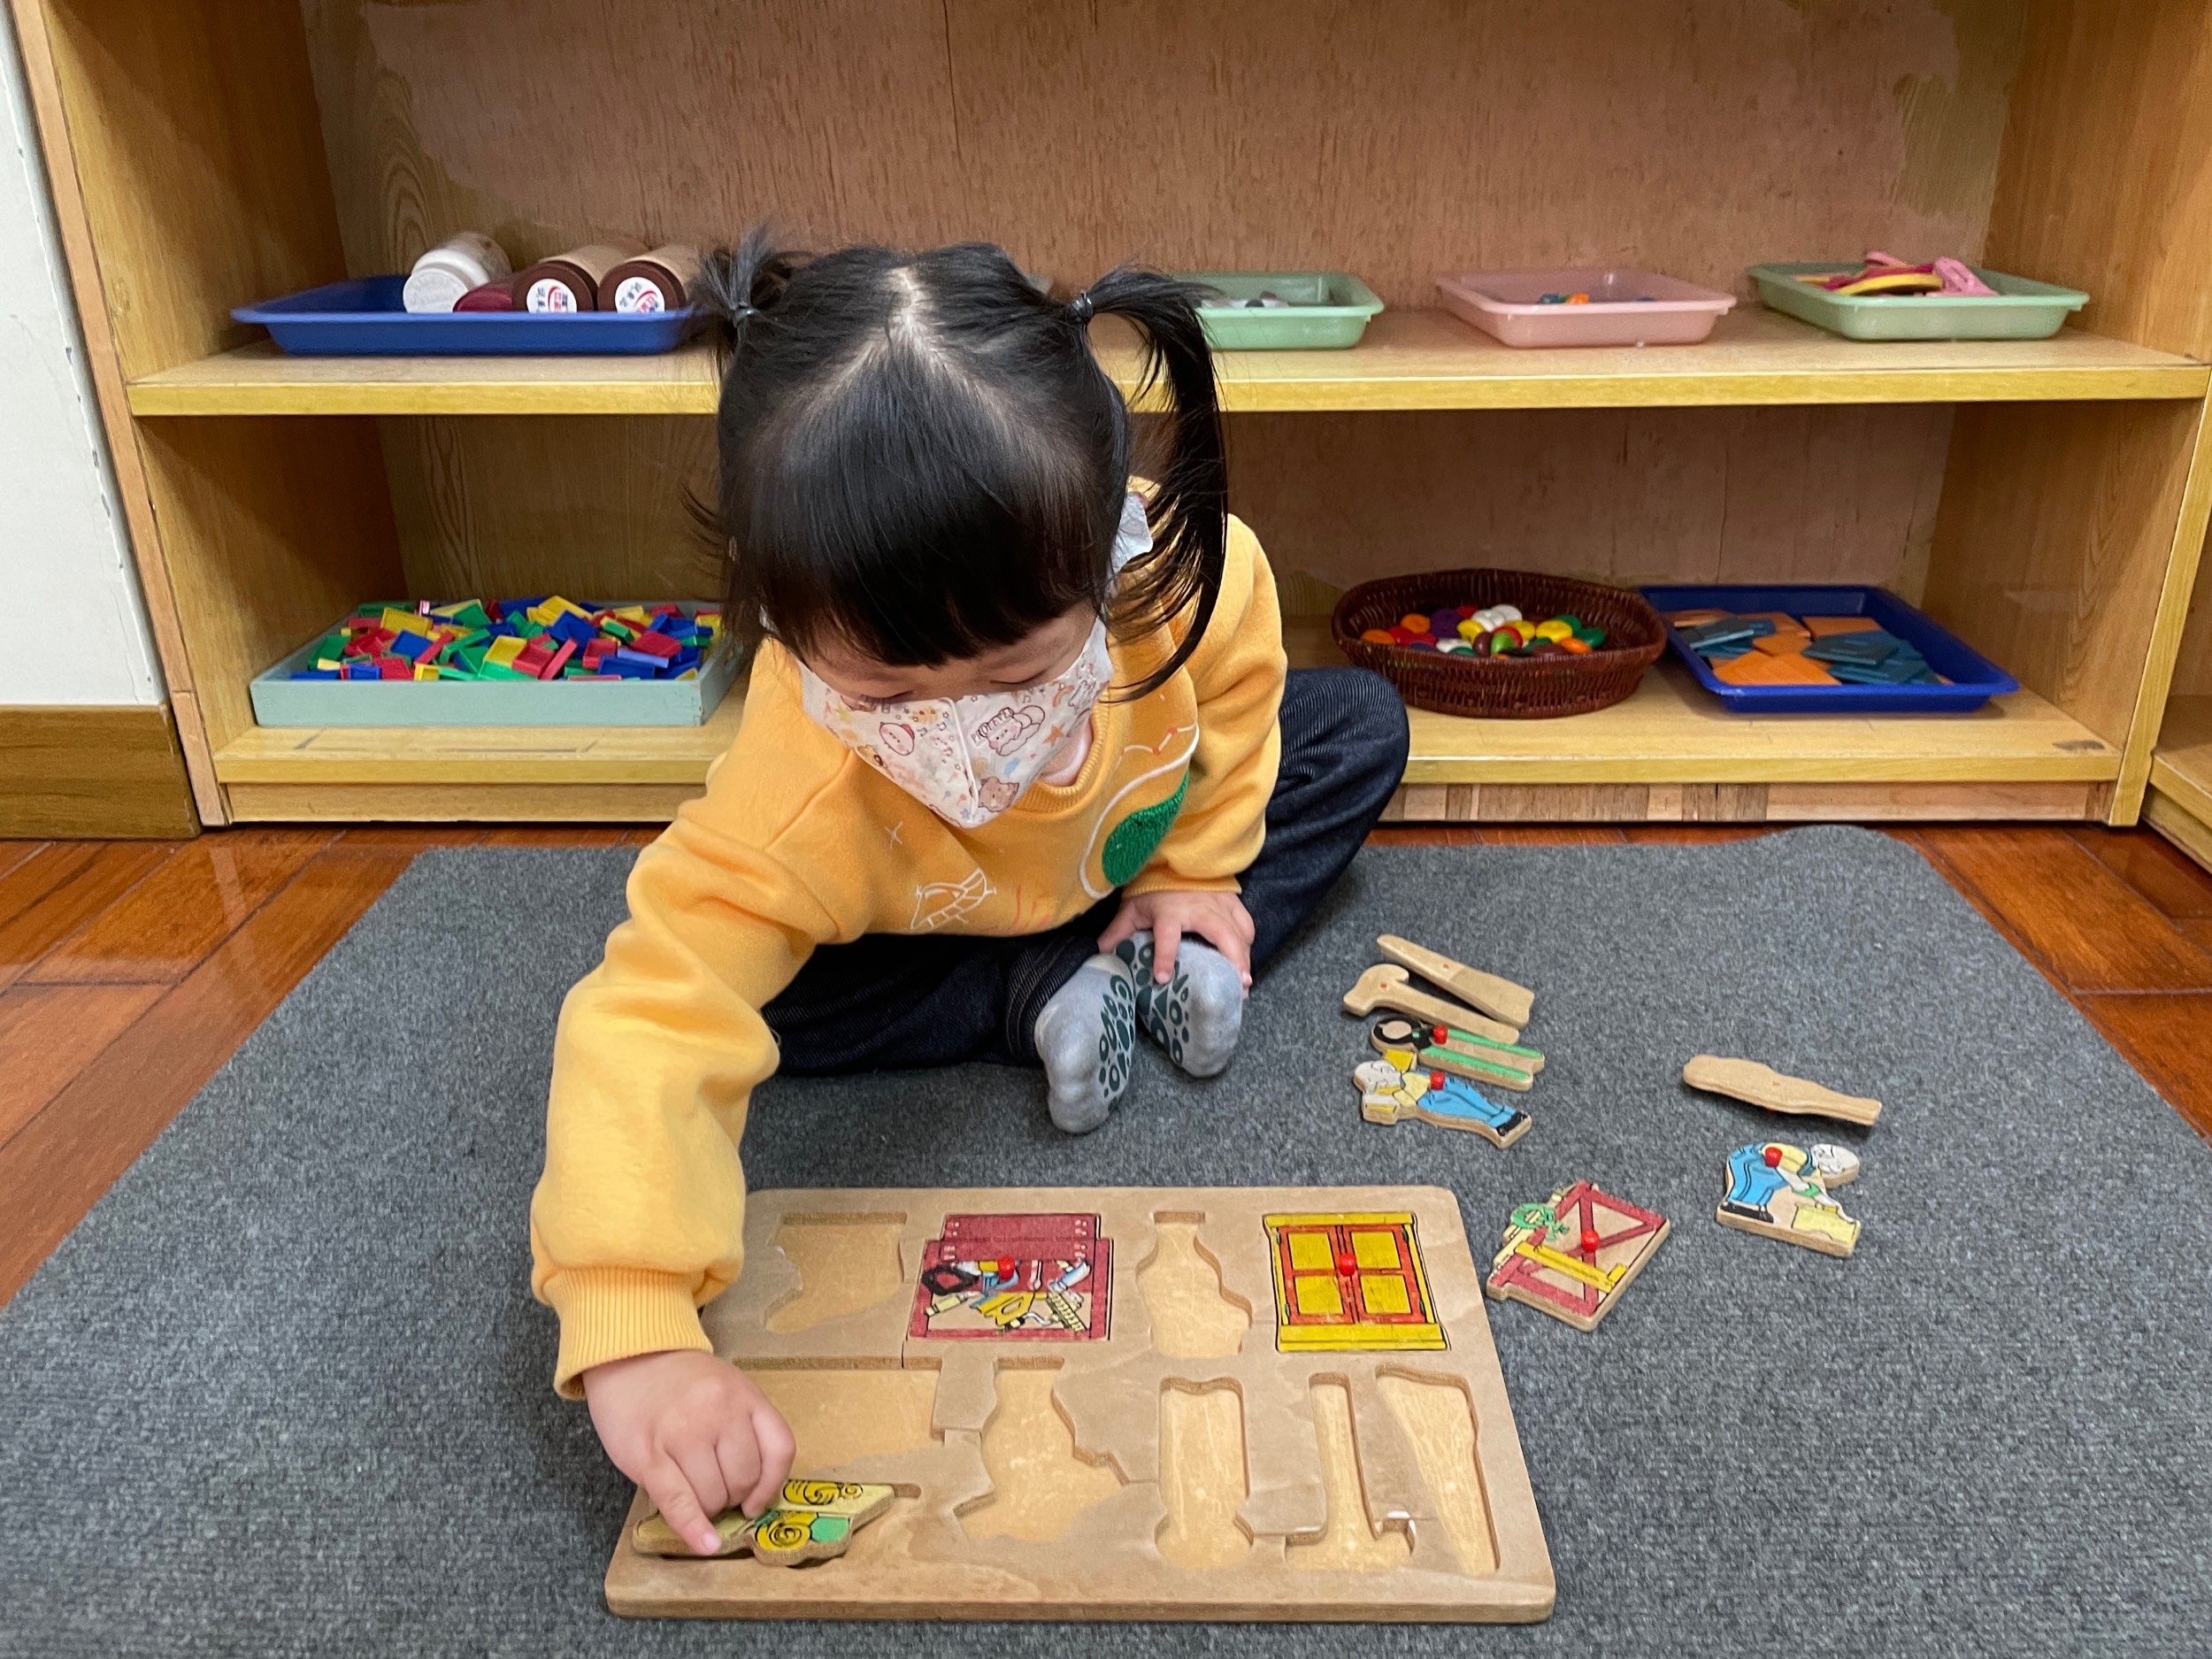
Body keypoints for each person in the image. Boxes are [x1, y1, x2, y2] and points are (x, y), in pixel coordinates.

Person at [531, 233, 1409, 1556]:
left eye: (1015, 674)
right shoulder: (795, 789)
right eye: (886, 691)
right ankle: (1043, 984)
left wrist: (1199, 864)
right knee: (771, 1015)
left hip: (1122, 860)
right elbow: (653, 1013)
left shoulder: (1179, 574)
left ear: (1106, 556)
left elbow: (1242, 689)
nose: (961, 735)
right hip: (923, 922)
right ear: (779, 626)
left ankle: (1152, 937)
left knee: (1359, 729)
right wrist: (637, 1322)